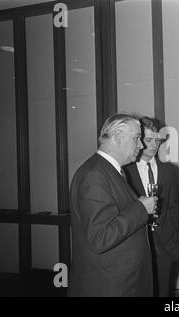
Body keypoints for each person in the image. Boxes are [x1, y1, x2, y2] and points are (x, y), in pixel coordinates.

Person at [68, 114, 157, 297]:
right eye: (136, 138)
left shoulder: (107, 170)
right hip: (110, 286)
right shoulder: (95, 175)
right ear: (117, 136)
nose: (141, 145)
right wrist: (141, 208)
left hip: (118, 283)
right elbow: (101, 237)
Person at [123, 117, 179, 297]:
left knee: (163, 292)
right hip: (136, 246)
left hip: (165, 245)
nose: (154, 145)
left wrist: (169, 231)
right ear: (138, 140)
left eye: (157, 140)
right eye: (149, 140)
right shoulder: (124, 171)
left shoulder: (170, 171)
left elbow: (176, 207)